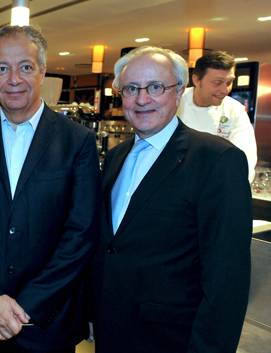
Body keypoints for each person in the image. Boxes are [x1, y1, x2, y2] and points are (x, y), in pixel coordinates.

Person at [0, 25, 101, 353]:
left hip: (47, 321)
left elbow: (81, 233)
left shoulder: (77, 141)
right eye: (2, 68)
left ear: (42, 71)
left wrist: (28, 305)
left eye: (25, 67)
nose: (14, 79)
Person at [91, 46, 251, 353]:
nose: (141, 99)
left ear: (179, 92)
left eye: (155, 87)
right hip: (112, 331)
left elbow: (226, 279)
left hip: (171, 341)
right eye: (131, 89)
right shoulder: (115, 156)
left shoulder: (217, 160)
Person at [177, 51, 257, 182]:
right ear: (196, 80)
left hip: (215, 185)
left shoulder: (235, 111)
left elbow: (245, 159)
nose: (225, 90)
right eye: (218, 82)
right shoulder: (174, 102)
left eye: (229, 82)